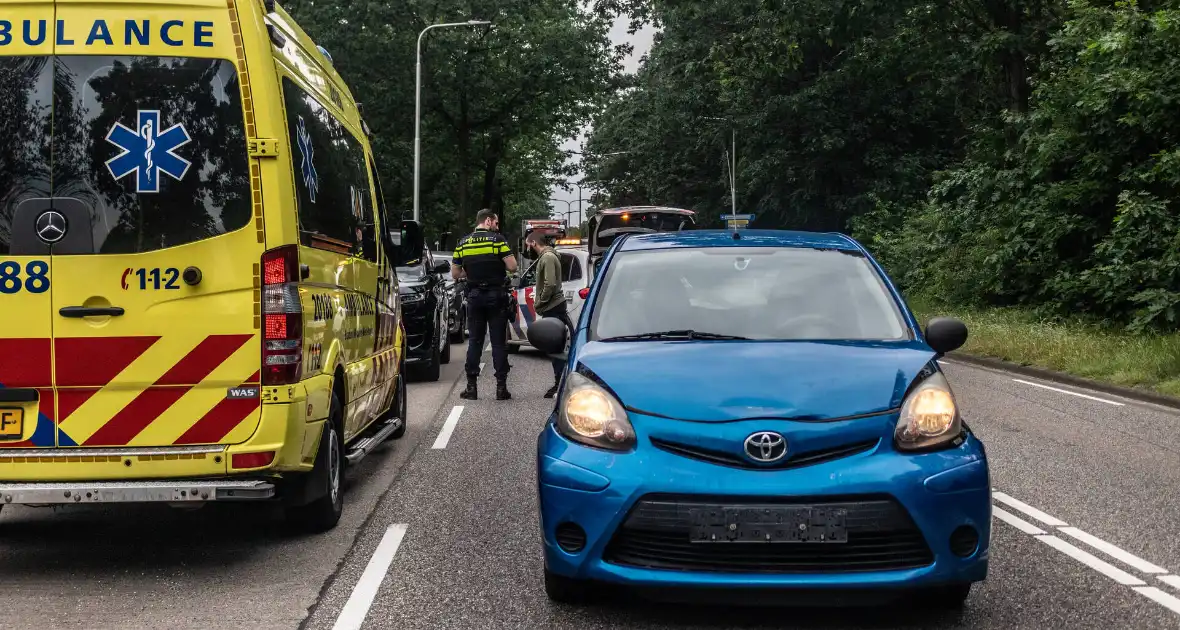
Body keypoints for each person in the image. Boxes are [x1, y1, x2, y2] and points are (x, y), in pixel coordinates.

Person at [451, 209, 518, 400]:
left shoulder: (463, 243)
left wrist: (471, 272)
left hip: (474, 297)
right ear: (488, 221)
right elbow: (512, 266)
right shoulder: (497, 240)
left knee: (475, 341)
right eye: (496, 223)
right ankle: (501, 388)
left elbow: (455, 274)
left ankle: (471, 387)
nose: (497, 227)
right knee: (498, 342)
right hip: (496, 296)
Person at [524, 233, 576, 398]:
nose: (527, 249)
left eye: (528, 245)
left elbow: (550, 283)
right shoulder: (549, 256)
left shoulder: (547, 257)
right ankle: (560, 382)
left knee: (556, 347)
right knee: (559, 346)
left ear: (533, 242)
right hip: (555, 306)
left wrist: (540, 302)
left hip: (552, 307)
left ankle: (559, 383)